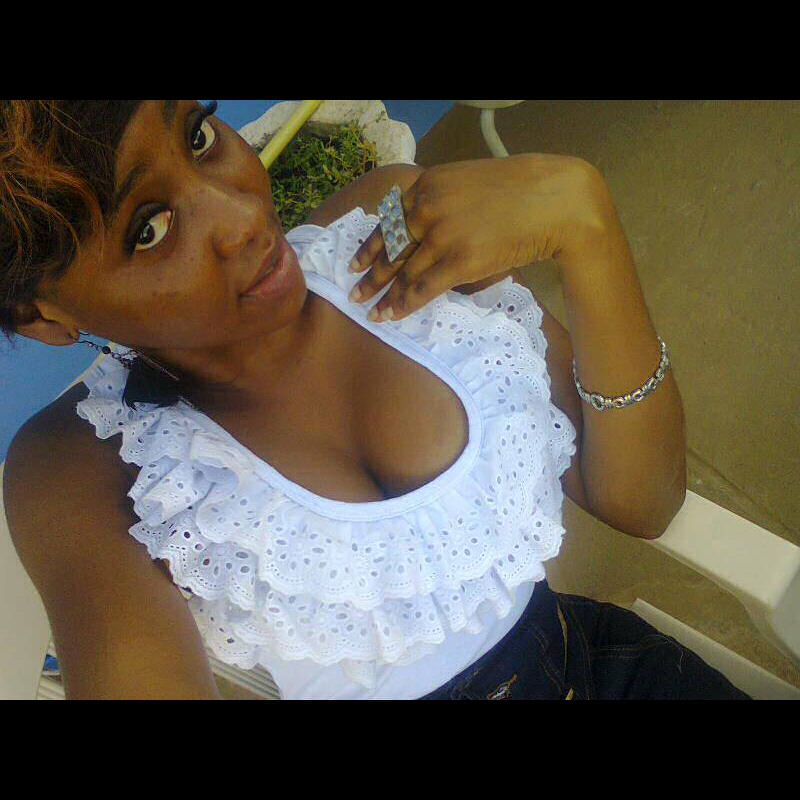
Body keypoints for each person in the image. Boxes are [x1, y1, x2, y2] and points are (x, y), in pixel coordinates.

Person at [1, 100, 749, 699]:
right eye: (150, 228)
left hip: (607, 669)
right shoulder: (81, 468)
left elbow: (641, 501)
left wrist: (586, 225)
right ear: (44, 316)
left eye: (198, 135)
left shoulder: (388, 231)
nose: (244, 218)